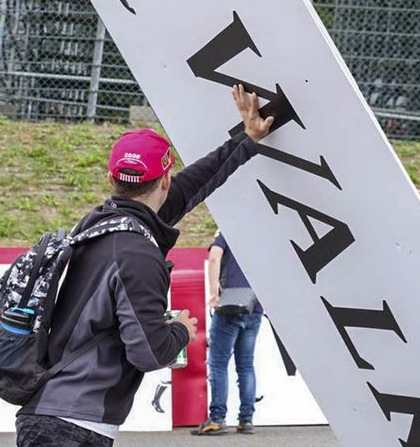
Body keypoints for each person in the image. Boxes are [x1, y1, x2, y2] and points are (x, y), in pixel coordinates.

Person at [15, 84, 273, 447]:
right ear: (165, 179)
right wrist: (181, 329)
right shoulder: (137, 252)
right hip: (72, 426)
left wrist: (248, 139)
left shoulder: (103, 222)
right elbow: (149, 352)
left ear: (111, 180)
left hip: (52, 414)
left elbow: (197, 182)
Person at [194, 232, 264, 436]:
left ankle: (217, 418)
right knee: (246, 365)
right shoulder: (262, 234)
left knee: (218, 363)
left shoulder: (228, 228)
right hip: (254, 304)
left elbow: (215, 256)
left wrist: (214, 292)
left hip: (230, 303)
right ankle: (246, 419)